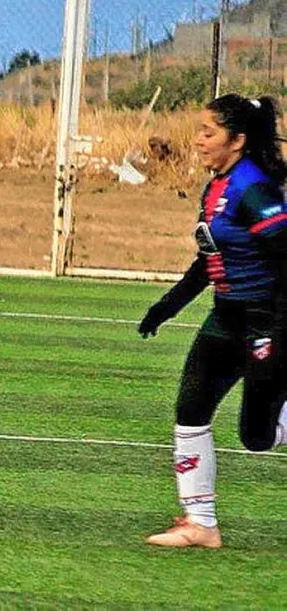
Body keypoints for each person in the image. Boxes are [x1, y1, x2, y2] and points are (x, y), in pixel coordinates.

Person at [138, 94, 287, 548]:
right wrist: (166, 307)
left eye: (209, 133)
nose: (199, 140)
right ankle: (200, 523)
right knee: (190, 411)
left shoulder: (253, 189)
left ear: (237, 140)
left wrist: (276, 329)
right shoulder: (216, 186)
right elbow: (209, 259)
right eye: (198, 130)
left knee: (257, 437)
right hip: (225, 317)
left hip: (267, 318)